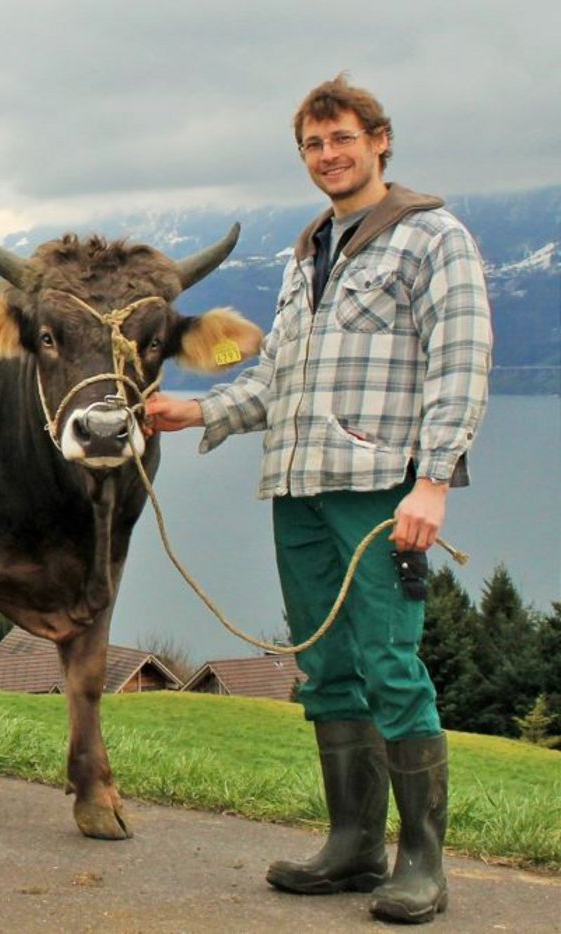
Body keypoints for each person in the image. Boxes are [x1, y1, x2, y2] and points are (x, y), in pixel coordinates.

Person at [145, 74, 491, 925]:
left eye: (342, 139)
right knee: (327, 669)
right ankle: (352, 847)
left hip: (380, 492)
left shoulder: (432, 238)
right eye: (313, 144)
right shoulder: (309, 253)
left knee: (390, 667)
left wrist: (434, 482)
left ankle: (423, 865)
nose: (328, 156)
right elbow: (281, 380)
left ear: (380, 141)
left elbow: (462, 363)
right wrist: (197, 410)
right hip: (296, 489)